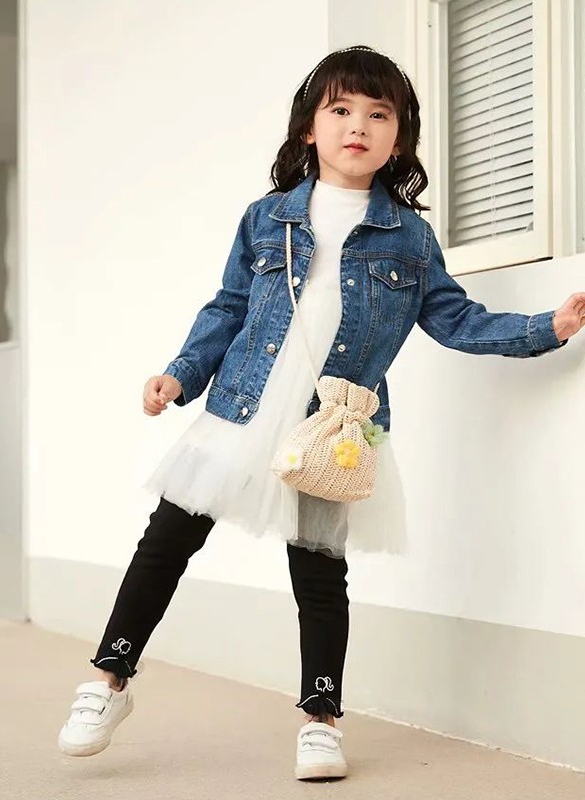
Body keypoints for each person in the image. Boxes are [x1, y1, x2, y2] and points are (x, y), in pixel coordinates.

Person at [58, 45, 585, 780]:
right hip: (241, 407)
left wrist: (544, 328)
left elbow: (454, 318)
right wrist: (179, 376)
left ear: (399, 138)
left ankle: (321, 718)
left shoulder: (409, 237)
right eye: (340, 110)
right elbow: (228, 308)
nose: (357, 126)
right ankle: (109, 680)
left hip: (329, 426)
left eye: (378, 114)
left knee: (318, 572)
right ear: (310, 126)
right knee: (167, 540)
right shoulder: (266, 218)